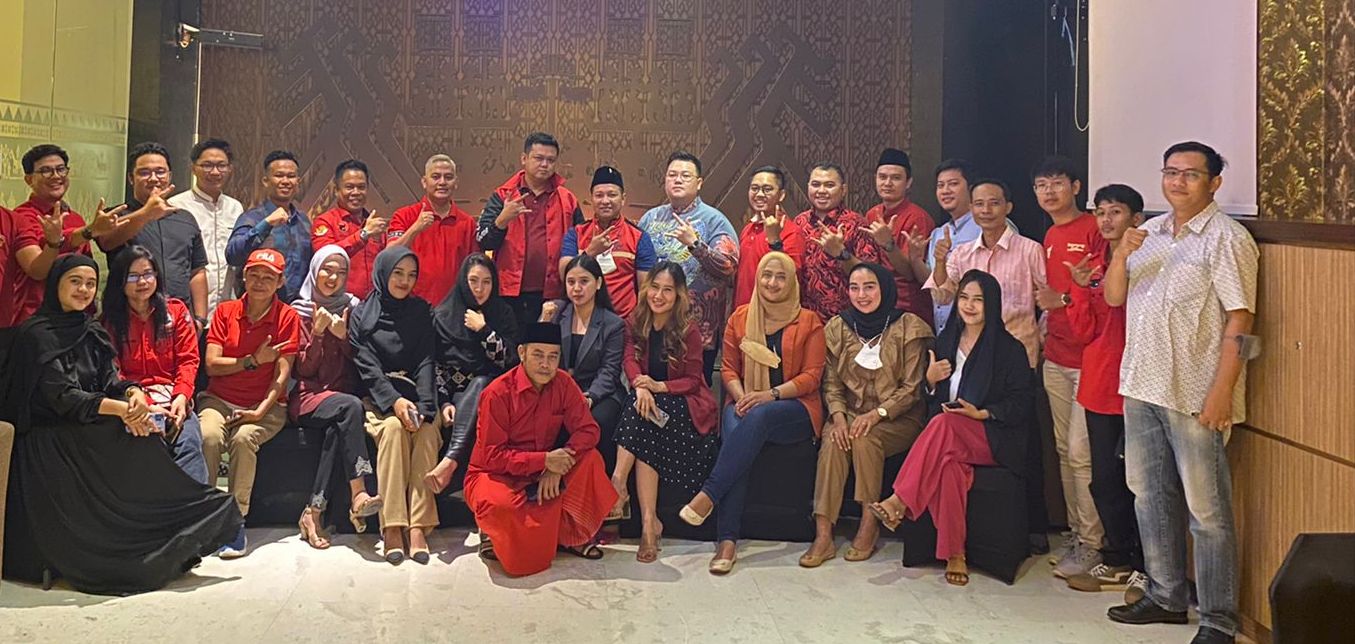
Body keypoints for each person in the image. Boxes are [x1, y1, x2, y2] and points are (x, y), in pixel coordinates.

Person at [0, 255, 241, 594]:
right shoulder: (36, 335)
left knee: (143, 436)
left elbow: (111, 378)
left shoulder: (90, 330)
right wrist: (121, 410)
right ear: (56, 285)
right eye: (75, 282)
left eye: (90, 283)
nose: (83, 290)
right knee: (128, 434)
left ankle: (175, 530)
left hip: (88, 423)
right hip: (50, 436)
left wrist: (132, 393)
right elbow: (63, 397)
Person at [1104, 142, 1257, 644]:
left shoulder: (1227, 238)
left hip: (1195, 392)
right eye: (1171, 172)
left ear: (1214, 183)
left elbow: (1241, 320)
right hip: (1140, 383)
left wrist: (1223, 391)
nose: (1177, 182)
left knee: (1207, 512)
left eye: (1191, 174)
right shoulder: (1146, 233)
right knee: (1149, 495)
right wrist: (1121, 254)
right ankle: (1166, 596)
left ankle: (1218, 620)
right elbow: (1114, 297)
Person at [869, 270, 1035, 586]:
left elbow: (1021, 403)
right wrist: (930, 381)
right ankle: (955, 553)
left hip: (993, 436)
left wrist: (981, 413)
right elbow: (930, 397)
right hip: (950, 437)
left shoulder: (1009, 349)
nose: (969, 306)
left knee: (944, 424)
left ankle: (899, 500)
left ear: (992, 304)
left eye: (978, 300)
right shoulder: (946, 341)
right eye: (964, 298)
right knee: (949, 467)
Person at [680, 252, 825, 574]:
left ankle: (709, 495)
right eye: (767, 275)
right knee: (738, 429)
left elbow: (812, 377)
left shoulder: (809, 321)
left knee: (757, 417)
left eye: (781, 277)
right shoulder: (741, 317)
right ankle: (727, 541)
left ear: (792, 282)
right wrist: (744, 397)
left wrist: (769, 395)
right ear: (757, 278)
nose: (772, 283)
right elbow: (729, 369)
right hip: (745, 401)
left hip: (795, 408)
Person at [801, 263, 932, 567]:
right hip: (849, 413)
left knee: (865, 438)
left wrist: (876, 414)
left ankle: (868, 523)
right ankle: (823, 533)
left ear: (884, 288)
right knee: (834, 441)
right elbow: (831, 384)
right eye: (855, 288)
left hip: (899, 419)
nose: (862, 295)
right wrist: (837, 417)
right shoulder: (838, 327)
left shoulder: (908, 326)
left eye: (869, 287)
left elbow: (912, 389)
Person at [464, 322, 619, 576]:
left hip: (543, 471)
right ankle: (493, 534)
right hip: (496, 474)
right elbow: (492, 457)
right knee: (499, 505)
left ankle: (568, 536)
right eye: (538, 355)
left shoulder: (564, 383)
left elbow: (589, 430)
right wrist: (544, 461)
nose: (545, 364)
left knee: (590, 460)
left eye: (553, 356)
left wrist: (559, 464)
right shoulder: (497, 393)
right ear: (522, 353)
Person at [1026, 156, 1111, 579]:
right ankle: (1077, 535)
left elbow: (1101, 288)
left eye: (1057, 183)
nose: (1049, 191)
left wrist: (1061, 300)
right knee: (1064, 450)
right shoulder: (1050, 234)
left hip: (1088, 359)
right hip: (1056, 355)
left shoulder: (1094, 228)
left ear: (1076, 187)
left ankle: (1094, 544)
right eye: (1041, 185)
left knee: (1081, 453)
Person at [1063, 184, 1147, 601]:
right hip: (1099, 384)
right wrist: (1079, 288)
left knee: (1140, 482)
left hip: (1138, 384)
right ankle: (1117, 558)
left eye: (1116, 212)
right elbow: (1084, 332)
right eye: (1100, 212)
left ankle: (1147, 569)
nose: (1106, 220)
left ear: (1136, 219)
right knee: (1104, 481)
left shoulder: (1146, 262)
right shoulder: (1093, 266)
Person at [610, 261, 719, 562]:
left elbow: (693, 381)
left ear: (678, 294)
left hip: (686, 406)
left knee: (643, 414)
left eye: (667, 290)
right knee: (642, 413)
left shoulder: (688, 329)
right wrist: (640, 386)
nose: (658, 296)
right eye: (655, 287)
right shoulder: (636, 320)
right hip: (651, 406)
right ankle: (649, 522)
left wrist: (657, 386)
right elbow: (629, 360)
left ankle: (618, 483)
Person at [199, 248, 301, 558]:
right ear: (244, 276)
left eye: (268, 277)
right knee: (208, 436)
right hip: (218, 399)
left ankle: (235, 522)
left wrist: (259, 411)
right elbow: (212, 365)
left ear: (280, 282)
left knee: (243, 440)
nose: (259, 282)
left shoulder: (287, 317)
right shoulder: (225, 311)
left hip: (266, 405)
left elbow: (282, 375)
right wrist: (252, 361)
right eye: (254, 274)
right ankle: (203, 518)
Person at [349, 246, 441, 565]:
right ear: (383, 273)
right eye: (398, 273)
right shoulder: (363, 315)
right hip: (378, 399)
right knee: (392, 430)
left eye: (411, 275)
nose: (405, 281)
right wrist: (394, 401)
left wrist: (425, 407)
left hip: (417, 395)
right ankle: (392, 525)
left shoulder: (421, 311)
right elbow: (367, 367)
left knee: (427, 433)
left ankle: (417, 526)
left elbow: (427, 360)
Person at [289, 245, 382, 549]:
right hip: (308, 397)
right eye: (327, 270)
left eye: (341, 272)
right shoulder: (298, 311)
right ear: (315, 271)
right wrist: (317, 334)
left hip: (341, 399)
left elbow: (364, 361)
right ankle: (359, 492)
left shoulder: (353, 308)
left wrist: (343, 338)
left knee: (336, 428)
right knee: (349, 407)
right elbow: (302, 369)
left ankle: (313, 513)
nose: (332, 277)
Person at [100, 246, 209, 484]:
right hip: (135, 405)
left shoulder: (176, 312)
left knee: (190, 445)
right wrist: (147, 406)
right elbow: (113, 372)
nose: (142, 282)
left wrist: (181, 397)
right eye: (133, 276)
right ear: (120, 281)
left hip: (175, 401)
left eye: (148, 274)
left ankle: (194, 505)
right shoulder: (109, 321)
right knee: (147, 448)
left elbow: (188, 360)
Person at [638, 151, 739, 381]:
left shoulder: (715, 220)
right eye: (672, 175)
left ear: (699, 183)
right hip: (654, 326)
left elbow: (729, 267)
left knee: (693, 390)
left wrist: (695, 245)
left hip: (697, 330)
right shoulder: (650, 219)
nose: (678, 180)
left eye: (685, 175)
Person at [424, 253, 520, 494]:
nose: (479, 289)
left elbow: (509, 361)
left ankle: (451, 459)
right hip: (452, 394)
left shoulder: (503, 313)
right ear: (462, 281)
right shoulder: (443, 314)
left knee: (482, 383)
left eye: (487, 282)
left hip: (494, 396)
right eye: (473, 281)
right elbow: (434, 364)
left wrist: (484, 330)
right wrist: (444, 401)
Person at [925, 179, 1046, 367]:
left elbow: (1048, 302)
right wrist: (940, 262)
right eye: (979, 204)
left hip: (1019, 353)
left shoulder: (1030, 250)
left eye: (994, 203)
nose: (986, 210)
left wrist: (1043, 340)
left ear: (1008, 207)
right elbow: (942, 297)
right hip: (971, 353)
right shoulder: (961, 254)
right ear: (971, 208)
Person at [477, 132, 586, 329]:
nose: (545, 165)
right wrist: (502, 219)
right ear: (524, 159)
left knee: (546, 346)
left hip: (554, 294)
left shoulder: (567, 199)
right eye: (538, 158)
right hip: (509, 293)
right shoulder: (503, 195)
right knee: (510, 346)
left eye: (550, 160)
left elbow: (581, 244)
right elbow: (483, 241)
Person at [99, 142, 211, 328]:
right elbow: (107, 241)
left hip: (180, 321)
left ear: (169, 176)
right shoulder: (116, 215)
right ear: (131, 178)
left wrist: (199, 319)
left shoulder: (185, 218)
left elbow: (197, 270)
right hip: (129, 320)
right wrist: (146, 213)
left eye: (160, 172)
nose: (153, 178)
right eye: (144, 172)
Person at [11, 144, 120, 322]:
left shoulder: (75, 218)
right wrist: (89, 231)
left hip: (77, 319)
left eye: (61, 169)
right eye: (46, 171)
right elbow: (37, 269)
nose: (56, 176)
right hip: (37, 321)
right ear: (29, 179)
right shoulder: (21, 217)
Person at [550, 255, 627, 468]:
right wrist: (544, 321)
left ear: (598, 283)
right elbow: (539, 356)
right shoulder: (556, 312)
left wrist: (591, 397)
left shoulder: (613, 324)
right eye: (571, 282)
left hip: (600, 393)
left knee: (595, 421)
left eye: (584, 281)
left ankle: (597, 478)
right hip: (563, 389)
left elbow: (609, 371)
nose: (577, 288)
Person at [558, 165, 656, 318]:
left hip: (623, 320)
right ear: (591, 198)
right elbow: (564, 274)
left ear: (623, 198)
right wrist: (589, 252)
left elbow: (646, 289)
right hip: (582, 320)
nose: (605, 201)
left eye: (612, 195)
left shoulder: (639, 237)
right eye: (599, 195)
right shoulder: (576, 233)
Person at [794, 163, 883, 321]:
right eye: (816, 184)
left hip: (845, 320)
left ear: (843, 190)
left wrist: (841, 254)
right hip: (805, 319)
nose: (821, 191)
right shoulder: (799, 222)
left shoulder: (857, 224)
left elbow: (871, 275)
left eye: (829, 185)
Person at [169, 138, 245, 315]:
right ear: (193, 168)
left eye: (221, 165)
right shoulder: (176, 206)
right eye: (207, 165)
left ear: (230, 169)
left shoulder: (235, 207)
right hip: (189, 309)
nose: (215, 172)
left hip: (227, 308)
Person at [387, 154, 476, 306]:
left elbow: (473, 270)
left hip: (453, 309)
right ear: (424, 182)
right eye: (436, 177)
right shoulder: (404, 215)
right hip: (409, 306)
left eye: (448, 177)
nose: (442, 182)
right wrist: (415, 229)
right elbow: (388, 256)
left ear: (456, 183)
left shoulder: (468, 223)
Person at [226, 150, 312, 303]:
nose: (285, 181)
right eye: (279, 175)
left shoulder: (304, 222)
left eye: (291, 176)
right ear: (265, 181)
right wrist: (267, 224)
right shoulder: (252, 218)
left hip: (295, 309)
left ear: (298, 182)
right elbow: (233, 255)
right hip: (256, 308)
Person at [863, 148, 936, 325]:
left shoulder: (918, 218)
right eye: (882, 177)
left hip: (907, 308)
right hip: (876, 302)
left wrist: (889, 244)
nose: (888, 183)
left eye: (896, 178)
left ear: (908, 182)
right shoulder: (872, 214)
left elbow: (911, 273)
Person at [310, 159, 388, 300]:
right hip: (338, 303)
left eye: (361, 187)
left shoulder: (375, 224)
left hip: (373, 304)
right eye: (349, 187)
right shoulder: (325, 221)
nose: (356, 192)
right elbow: (326, 257)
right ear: (336, 190)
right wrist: (363, 234)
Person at [734, 165, 806, 309]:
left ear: (781, 195)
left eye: (767, 189)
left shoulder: (791, 231)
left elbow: (791, 276)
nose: (759, 194)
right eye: (754, 188)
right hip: (743, 312)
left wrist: (775, 241)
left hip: (772, 314)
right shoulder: (748, 228)